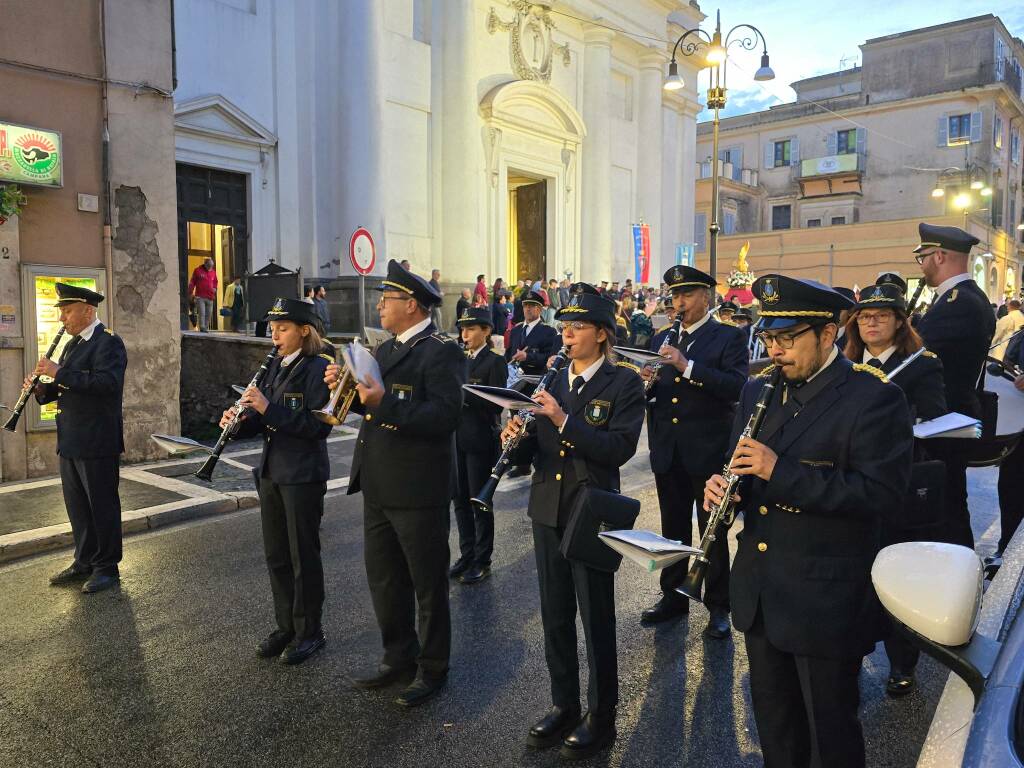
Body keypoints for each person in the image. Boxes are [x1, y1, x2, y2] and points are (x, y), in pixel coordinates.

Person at [705, 274, 913, 768]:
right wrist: (724, 492)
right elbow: (743, 472)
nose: (775, 350)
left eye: (787, 338)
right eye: (769, 338)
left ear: (829, 335)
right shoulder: (760, 390)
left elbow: (881, 495)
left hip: (824, 598)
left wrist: (780, 472)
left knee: (830, 733)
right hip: (761, 593)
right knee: (777, 730)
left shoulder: (873, 397)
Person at [505, 284, 644, 760]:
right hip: (548, 507)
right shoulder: (555, 377)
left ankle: (601, 716)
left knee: (596, 618)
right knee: (556, 615)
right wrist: (514, 435)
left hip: (592, 510)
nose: (566, 336)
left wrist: (564, 420)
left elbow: (617, 449)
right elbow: (534, 448)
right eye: (563, 327)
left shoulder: (624, 383)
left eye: (576, 328)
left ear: (602, 334)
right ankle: (564, 703)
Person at [327, 259, 465, 707]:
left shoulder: (441, 350)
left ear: (411, 304)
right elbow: (370, 409)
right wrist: (343, 390)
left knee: (426, 584)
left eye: (386, 300)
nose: (379, 306)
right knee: (384, 579)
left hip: (417, 487)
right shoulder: (383, 351)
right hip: (380, 483)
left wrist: (382, 403)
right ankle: (397, 657)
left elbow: (445, 417)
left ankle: (433, 667)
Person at [844, 281, 947, 696]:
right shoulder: (844, 363)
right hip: (849, 485)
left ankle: (903, 662)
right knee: (853, 575)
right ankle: (849, 651)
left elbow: (938, 419)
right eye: (864, 316)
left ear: (900, 322)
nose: (871, 322)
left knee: (897, 575)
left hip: (897, 484)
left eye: (881, 315)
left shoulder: (921, 364)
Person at [640, 266, 749, 637]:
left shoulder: (726, 337)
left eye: (687, 295)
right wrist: (646, 384)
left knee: (711, 531)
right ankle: (673, 597)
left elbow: (736, 387)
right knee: (671, 530)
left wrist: (686, 366)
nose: (679, 303)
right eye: (675, 296)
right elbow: (658, 396)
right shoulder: (661, 337)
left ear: (707, 297)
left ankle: (719, 605)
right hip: (668, 451)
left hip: (707, 450)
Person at [222, 298, 333, 664]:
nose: (275, 336)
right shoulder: (273, 367)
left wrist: (269, 408)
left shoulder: (320, 369)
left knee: (303, 555)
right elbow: (261, 421)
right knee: (277, 556)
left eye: (282, 329)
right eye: (272, 329)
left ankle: (309, 630)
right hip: (271, 471)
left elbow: (316, 428)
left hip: (302, 474)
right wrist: (237, 422)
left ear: (304, 330)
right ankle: (286, 625)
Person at [31, 283, 128, 593]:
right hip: (71, 438)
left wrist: (59, 373)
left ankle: (107, 567)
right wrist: (42, 389)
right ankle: (84, 560)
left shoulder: (108, 343)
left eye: (67, 311)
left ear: (88, 310)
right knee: (77, 507)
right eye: (62, 311)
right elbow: (69, 388)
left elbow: (105, 384)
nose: (63, 318)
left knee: (102, 506)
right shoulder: (74, 344)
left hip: (97, 440)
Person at [914, 222, 996, 548]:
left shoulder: (958, 302)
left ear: (939, 255)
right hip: (953, 415)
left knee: (943, 504)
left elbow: (915, 356)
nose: (921, 266)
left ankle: (955, 574)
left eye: (923, 257)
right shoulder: (966, 298)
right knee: (948, 500)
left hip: (945, 417)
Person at [450, 307, 507, 585]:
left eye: (471, 329)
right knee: (459, 500)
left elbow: (498, 403)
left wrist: (467, 395)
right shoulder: (458, 359)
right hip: (456, 439)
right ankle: (466, 553)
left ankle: (482, 559)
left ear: (486, 331)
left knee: (479, 501)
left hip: (480, 439)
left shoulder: (494, 362)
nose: (465, 334)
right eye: (462, 329)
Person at [505, 290, 561, 478]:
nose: (528, 309)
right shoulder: (515, 330)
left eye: (532, 306)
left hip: (534, 383)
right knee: (516, 421)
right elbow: (509, 353)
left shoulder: (548, 331)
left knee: (534, 424)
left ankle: (536, 460)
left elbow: (549, 358)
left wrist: (529, 356)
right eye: (525, 306)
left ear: (539, 309)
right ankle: (520, 462)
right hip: (515, 383)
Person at [188, 256, 218, 332]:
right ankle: (202, 327)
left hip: (210, 297)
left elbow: (215, 281)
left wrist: (215, 288)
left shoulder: (213, 272)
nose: (210, 268)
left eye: (211, 267)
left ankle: (206, 327)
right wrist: (190, 292)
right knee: (202, 312)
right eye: (209, 266)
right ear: (205, 264)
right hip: (200, 296)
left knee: (209, 314)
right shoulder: (197, 271)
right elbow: (192, 282)